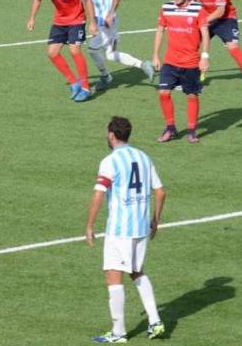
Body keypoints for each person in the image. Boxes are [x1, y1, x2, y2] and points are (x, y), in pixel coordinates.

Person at [85, 116, 166, 343]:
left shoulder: (110, 161)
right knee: (137, 271)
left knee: (113, 275)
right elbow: (160, 191)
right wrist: (155, 221)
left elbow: (99, 194)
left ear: (111, 134)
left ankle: (119, 333)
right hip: (141, 227)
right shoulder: (143, 156)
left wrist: (89, 225)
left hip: (120, 229)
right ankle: (155, 320)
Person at [78, 0, 154, 89]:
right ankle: (143, 65)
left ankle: (106, 77)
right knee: (111, 55)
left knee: (92, 50)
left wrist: (110, 14)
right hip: (101, 22)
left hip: (107, 22)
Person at [27, 0, 95, 102]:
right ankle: (74, 83)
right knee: (52, 53)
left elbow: (87, 0)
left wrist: (92, 22)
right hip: (59, 21)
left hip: (77, 20)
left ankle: (85, 88)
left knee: (74, 50)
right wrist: (32, 18)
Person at [152, 0, 211, 143]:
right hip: (170, 61)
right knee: (163, 93)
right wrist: (155, 55)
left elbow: (205, 34)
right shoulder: (166, 7)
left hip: (191, 62)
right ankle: (170, 129)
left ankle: (192, 131)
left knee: (192, 95)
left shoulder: (198, 9)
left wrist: (205, 57)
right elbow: (159, 31)